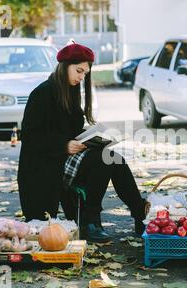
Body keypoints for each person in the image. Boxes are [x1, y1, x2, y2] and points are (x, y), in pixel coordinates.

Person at [18, 42, 148, 242]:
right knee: (105, 160)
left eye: (85, 73)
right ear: (64, 66)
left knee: (114, 159)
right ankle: (90, 221)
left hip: (66, 156)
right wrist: (64, 145)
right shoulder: (42, 93)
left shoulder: (71, 91)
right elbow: (29, 136)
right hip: (46, 162)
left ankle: (140, 214)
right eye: (79, 71)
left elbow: (71, 129)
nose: (81, 77)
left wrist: (91, 138)